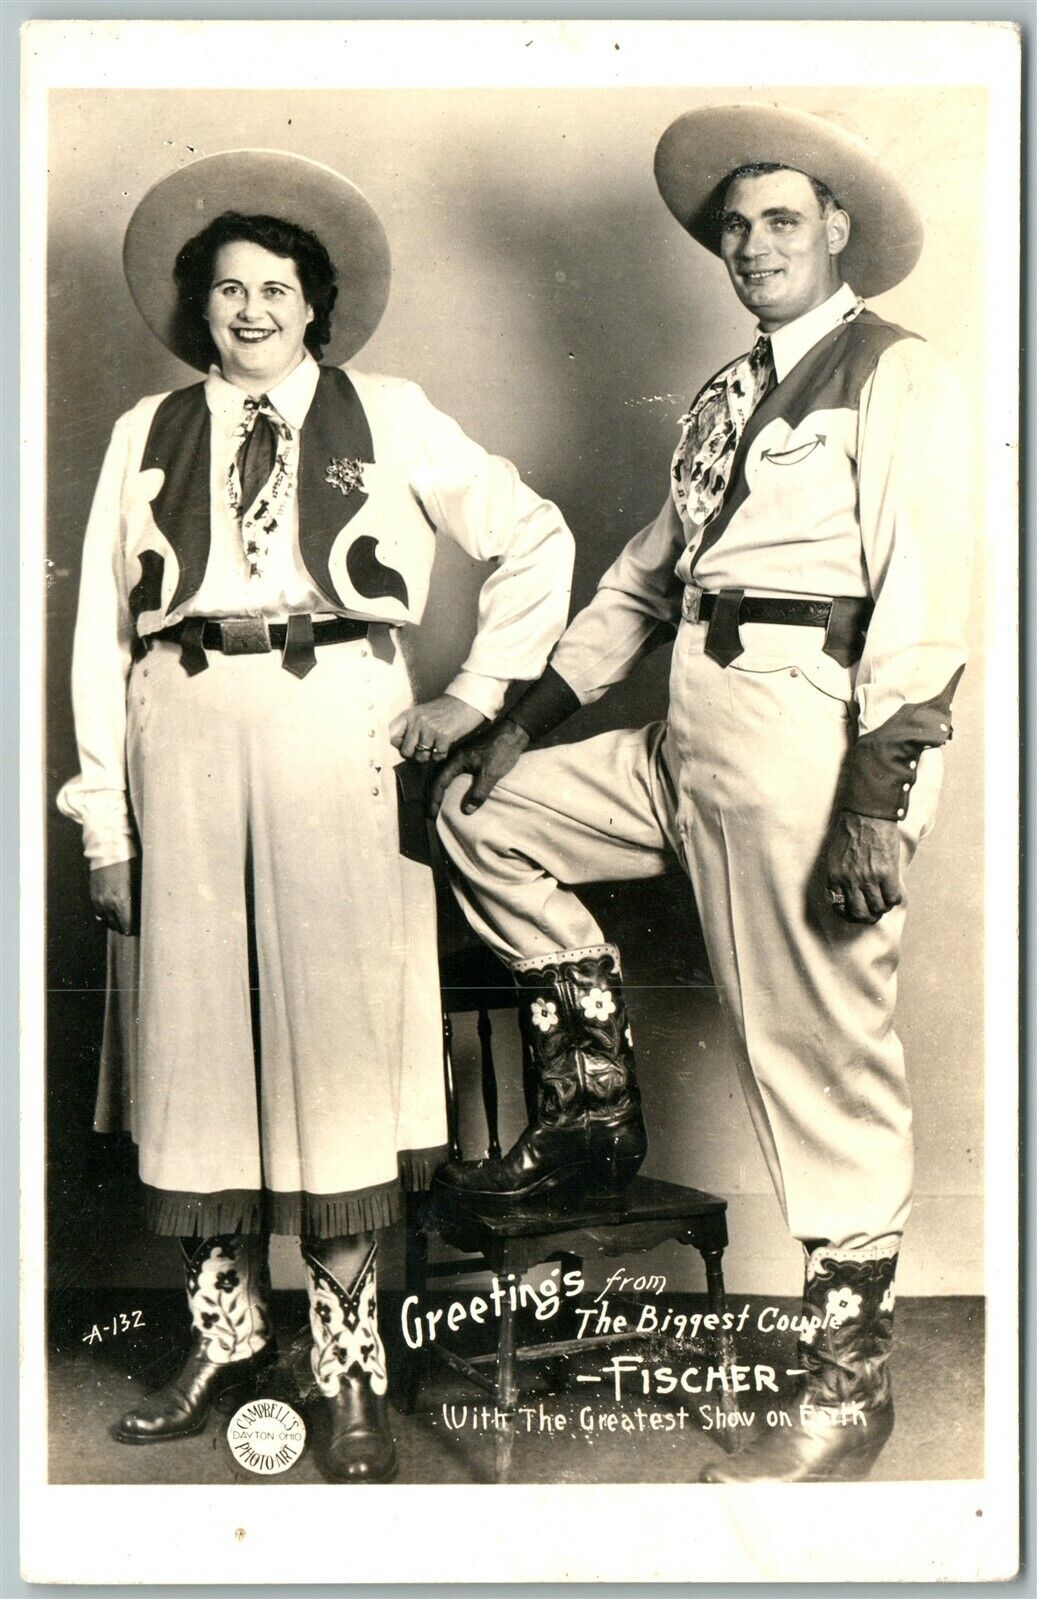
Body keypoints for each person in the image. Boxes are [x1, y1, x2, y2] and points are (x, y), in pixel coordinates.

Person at [431, 104, 972, 1483]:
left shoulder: (893, 374)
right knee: (481, 817)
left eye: (779, 219)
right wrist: (523, 720)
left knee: (819, 1053)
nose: (749, 245)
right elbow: (637, 585)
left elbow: (929, 597)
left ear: (836, 229)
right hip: (687, 731)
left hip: (807, 730)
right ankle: (592, 1109)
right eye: (732, 227)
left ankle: (845, 1391)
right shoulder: (724, 401)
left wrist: (875, 797)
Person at [57, 149, 574, 1483]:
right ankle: (224, 1338)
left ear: (314, 303)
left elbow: (534, 538)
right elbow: (94, 638)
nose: (247, 310)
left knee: (338, 1050)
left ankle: (350, 1368)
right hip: (182, 730)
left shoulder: (389, 414)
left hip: (338, 727)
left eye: (273, 288)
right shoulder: (141, 436)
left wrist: (469, 697)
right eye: (225, 289)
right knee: (195, 1047)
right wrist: (103, 821)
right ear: (198, 307)